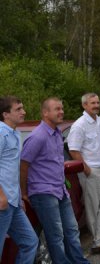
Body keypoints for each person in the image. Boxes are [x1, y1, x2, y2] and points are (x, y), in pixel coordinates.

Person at [20, 97, 90, 264]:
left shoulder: (57, 133)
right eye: (57, 109)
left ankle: (79, 261)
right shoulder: (37, 136)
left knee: (72, 230)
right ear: (45, 113)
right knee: (55, 235)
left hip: (60, 190)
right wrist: (23, 192)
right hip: (43, 193)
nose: (62, 112)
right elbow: (23, 165)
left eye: (62, 108)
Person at [67, 93, 100, 255]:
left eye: (98, 102)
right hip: (90, 172)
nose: (96, 105)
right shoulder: (79, 125)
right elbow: (73, 150)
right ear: (84, 105)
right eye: (92, 103)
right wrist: (86, 169)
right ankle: (99, 241)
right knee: (93, 207)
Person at [0, 96, 37, 263]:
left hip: (13, 202)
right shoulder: (1, 133)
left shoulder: (15, 133)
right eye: (18, 109)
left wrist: (19, 194)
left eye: (23, 108)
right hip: (2, 202)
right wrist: (1, 196)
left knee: (30, 242)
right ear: (5, 114)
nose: (24, 112)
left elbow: (12, 168)